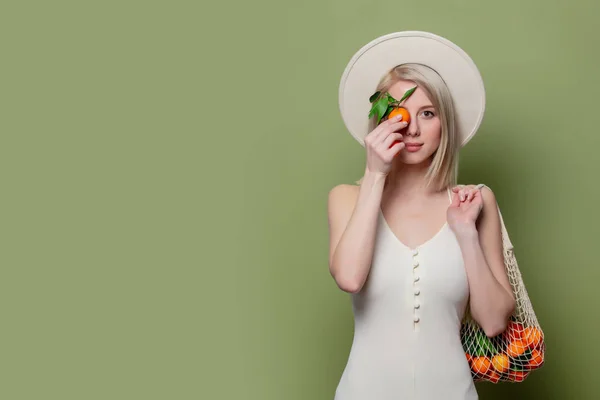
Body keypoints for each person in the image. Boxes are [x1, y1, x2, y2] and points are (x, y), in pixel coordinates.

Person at [328, 31, 516, 399]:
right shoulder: (346, 198)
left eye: (427, 113)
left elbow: (494, 322)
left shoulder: (476, 202)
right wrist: (374, 174)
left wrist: (465, 233)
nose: (412, 128)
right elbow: (349, 277)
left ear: (444, 123)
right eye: (398, 113)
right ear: (380, 121)